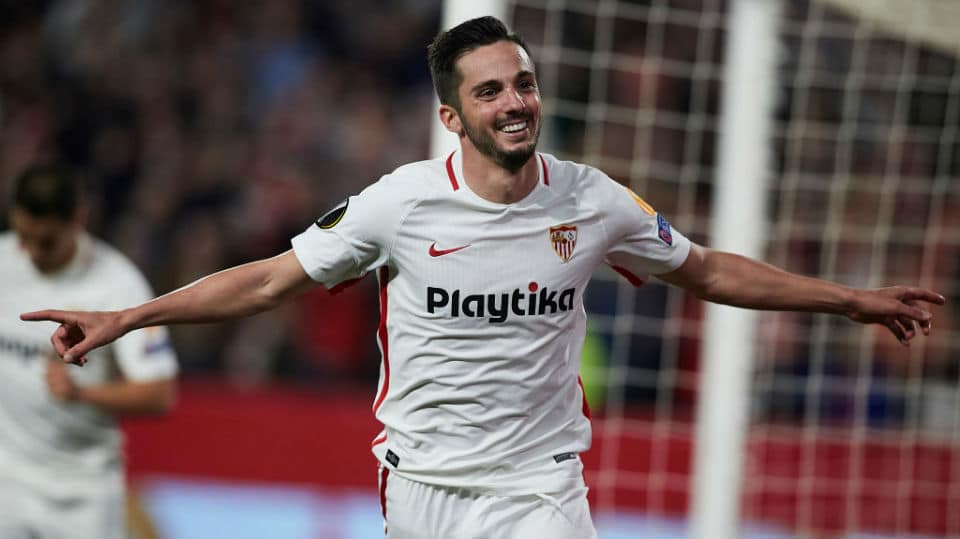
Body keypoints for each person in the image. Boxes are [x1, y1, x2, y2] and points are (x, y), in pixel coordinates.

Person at [21, 17, 944, 539]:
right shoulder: (399, 205)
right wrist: (128, 316)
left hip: (538, 486)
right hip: (420, 485)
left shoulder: (592, 201)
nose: (515, 102)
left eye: (523, 84)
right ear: (451, 116)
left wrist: (849, 300)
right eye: (490, 91)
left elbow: (704, 269)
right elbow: (267, 283)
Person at [2, 163, 178, 539]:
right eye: (23, 237)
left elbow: (160, 394)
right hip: (6, 480)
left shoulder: (119, 286)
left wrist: (80, 393)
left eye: (46, 241)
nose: (31, 252)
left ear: (77, 219)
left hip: (82, 490)